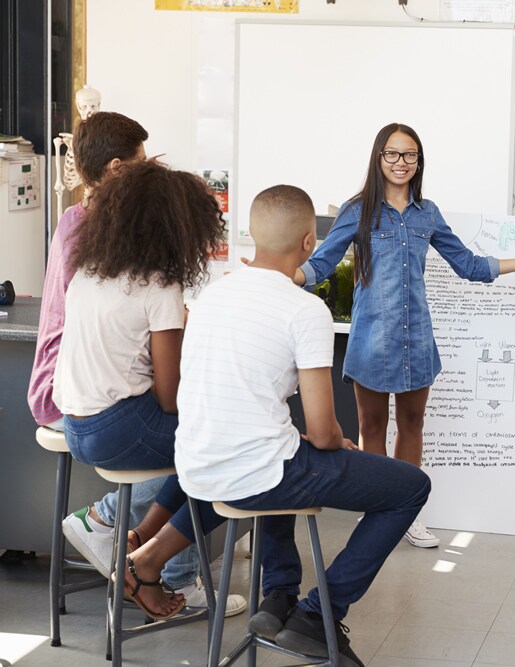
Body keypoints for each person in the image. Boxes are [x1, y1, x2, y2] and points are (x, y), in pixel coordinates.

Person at [171, 185, 431, 666]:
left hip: (196, 469)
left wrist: (313, 439)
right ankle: (319, 615)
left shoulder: (211, 293)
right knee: (410, 487)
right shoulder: (303, 307)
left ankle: (279, 595)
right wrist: (334, 441)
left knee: (287, 446)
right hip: (253, 475)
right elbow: (325, 429)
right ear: (310, 242)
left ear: (251, 234)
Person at [27, 112, 243, 614]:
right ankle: (139, 553)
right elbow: (169, 397)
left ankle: (138, 544)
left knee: (203, 444)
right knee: (227, 451)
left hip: (77, 417)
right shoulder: (158, 283)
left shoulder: (92, 270)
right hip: (111, 422)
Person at [299, 122, 515, 548]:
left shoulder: (427, 213)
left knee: (413, 424)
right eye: (393, 154)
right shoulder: (357, 209)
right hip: (371, 340)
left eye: (410, 155)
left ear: (419, 162)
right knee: (371, 425)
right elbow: (321, 265)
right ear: (379, 158)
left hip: (416, 341)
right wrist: (280, 275)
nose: (401, 163)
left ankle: (406, 512)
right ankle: (377, 513)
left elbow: (468, 266)